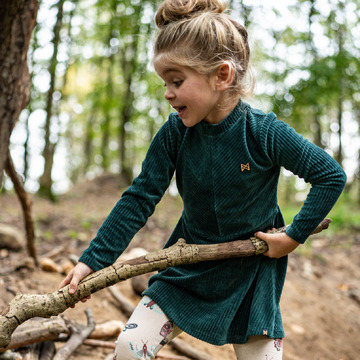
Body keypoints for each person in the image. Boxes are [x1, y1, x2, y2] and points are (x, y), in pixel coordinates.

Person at [59, 0, 347, 358]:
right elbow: (139, 198)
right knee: (130, 347)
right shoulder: (174, 134)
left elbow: (330, 175)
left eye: (177, 81)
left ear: (222, 76)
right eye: (165, 82)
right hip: (186, 267)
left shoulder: (263, 133)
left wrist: (292, 236)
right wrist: (91, 262)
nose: (167, 92)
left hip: (251, 277)